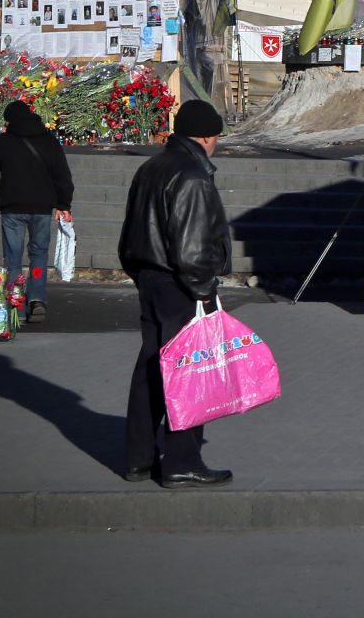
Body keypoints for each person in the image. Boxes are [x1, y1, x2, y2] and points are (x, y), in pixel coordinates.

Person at [119, 99, 233, 488]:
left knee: (151, 370)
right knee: (190, 374)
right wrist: (204, 293)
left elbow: (129, 237)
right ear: (205, 137)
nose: (217, 143)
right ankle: (182, 461)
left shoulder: (151, 167)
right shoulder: (193, 176)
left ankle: (137, 460)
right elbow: (192, 250)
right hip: (182, 286)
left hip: (151, 279)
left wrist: (142, 276)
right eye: (217, 136)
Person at [0, 101, 74, 323]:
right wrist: (64, 205)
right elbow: (63, 175)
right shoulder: (48, 140)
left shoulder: (3, 141)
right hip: (41, 209)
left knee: (12, 259)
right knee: (39, 255)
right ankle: (37, 299)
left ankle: (16, 305)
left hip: (12, 209)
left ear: (9, 121)